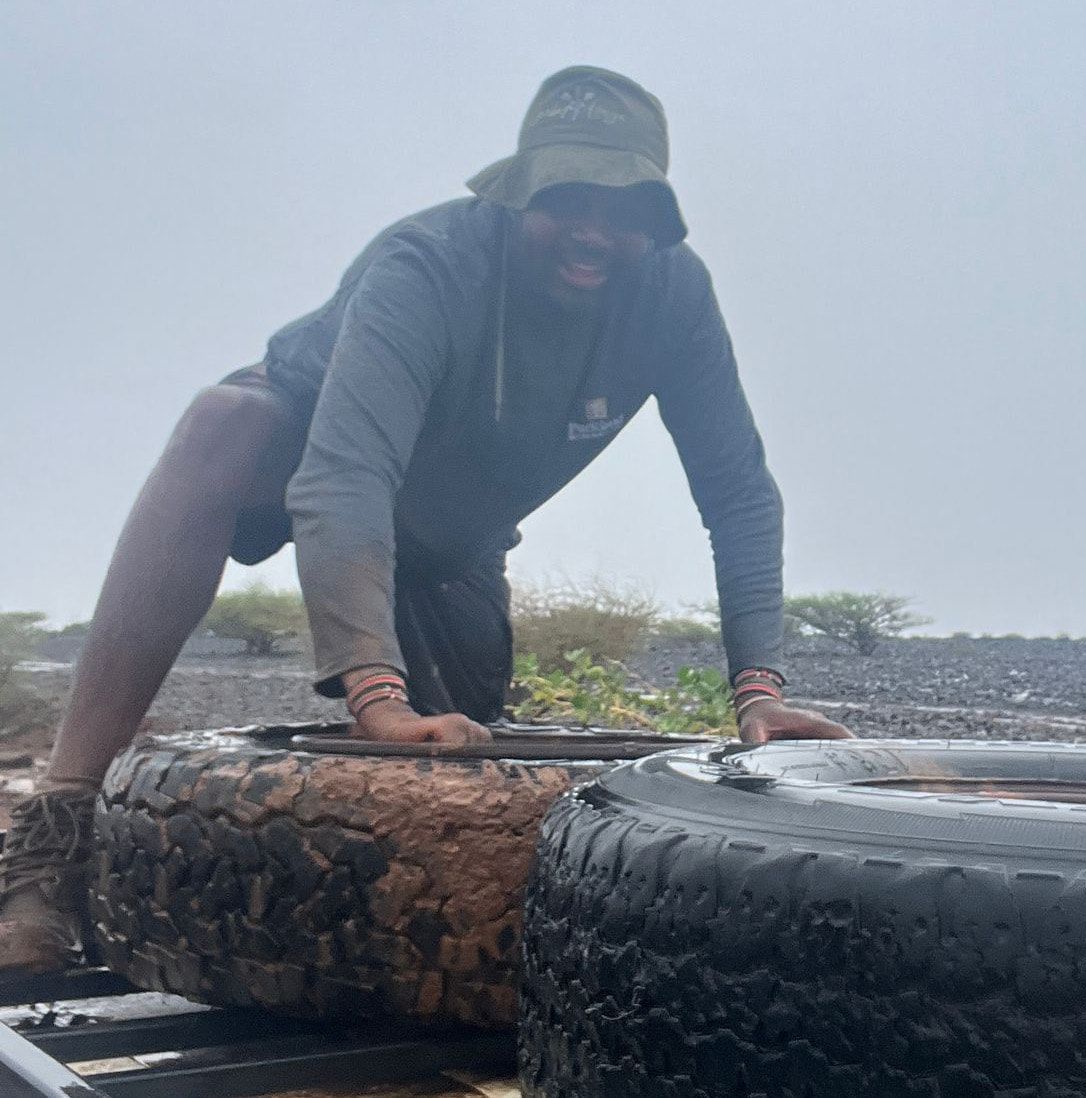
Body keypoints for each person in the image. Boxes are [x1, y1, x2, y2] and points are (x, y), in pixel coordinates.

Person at [0, 66, 850, 974]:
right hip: (303, 451)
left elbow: (739, 493)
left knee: (462, 809)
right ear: (522, 191)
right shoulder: (428, 263)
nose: (596, 232)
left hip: (451, 546)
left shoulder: (676, 297)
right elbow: (346, 474)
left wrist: (759, 690)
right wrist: (377, 695)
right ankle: (53, 842)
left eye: (628, 209)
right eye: (568, 199)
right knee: (224, 423)